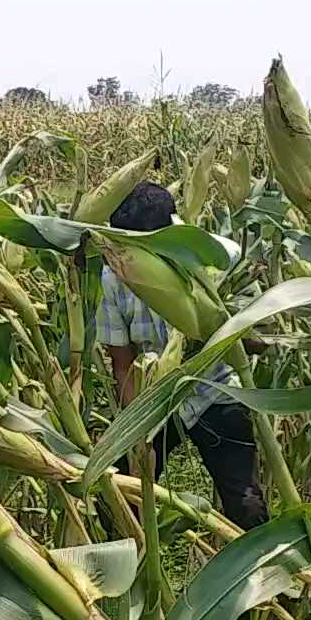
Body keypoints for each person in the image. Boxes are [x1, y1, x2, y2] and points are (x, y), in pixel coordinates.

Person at [96, 181, 269, 529]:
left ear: (165, 233)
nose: (130, 255)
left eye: (139, 246)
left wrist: (214, 330)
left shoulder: (221, 258)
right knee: (117, 498)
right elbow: (122, 361)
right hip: (158, 398)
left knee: (246, 506)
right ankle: (126, 571)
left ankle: (268, 578)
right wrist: (135, 433)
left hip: (215, 390)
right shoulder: (116, 273)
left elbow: (260, 339)